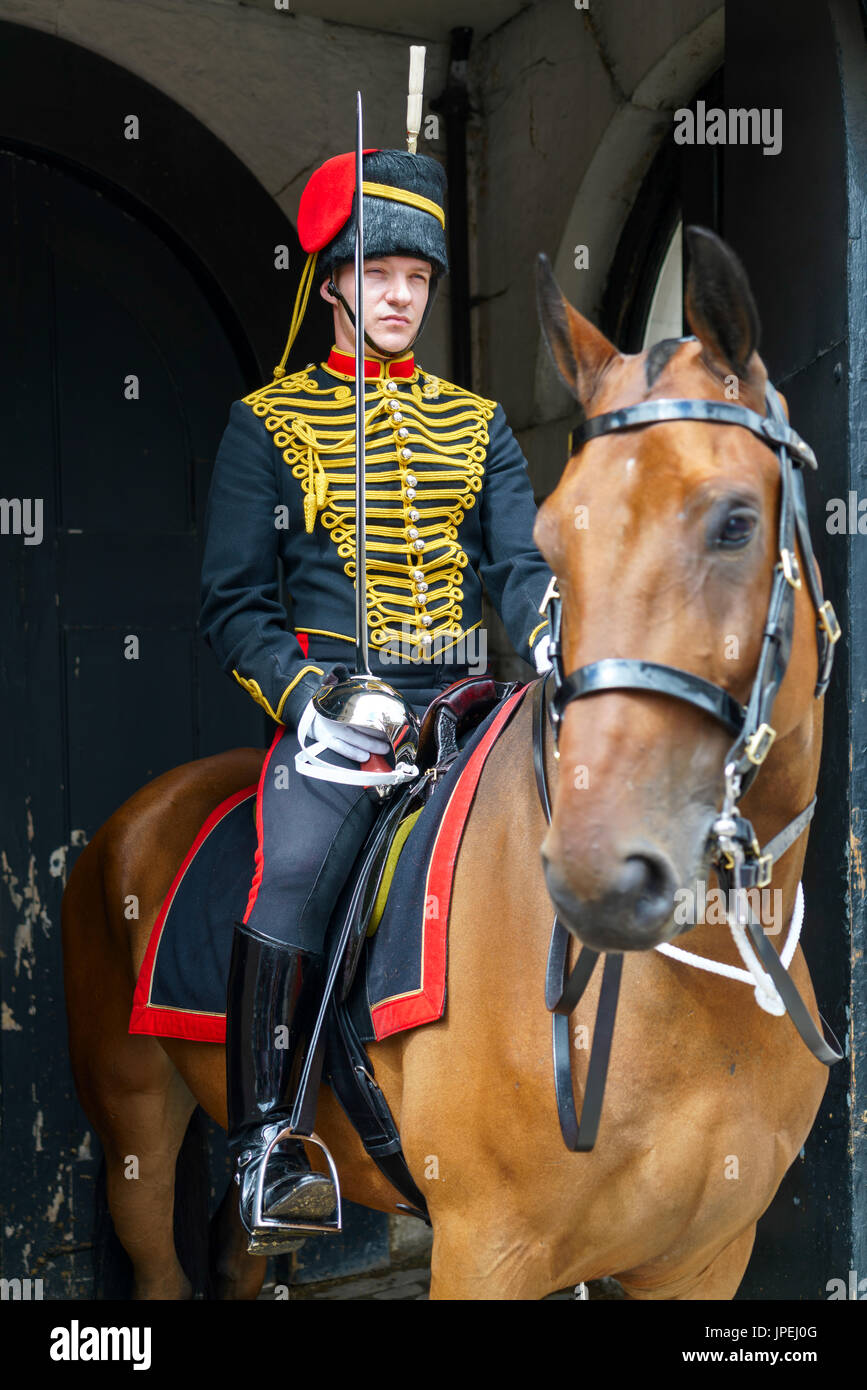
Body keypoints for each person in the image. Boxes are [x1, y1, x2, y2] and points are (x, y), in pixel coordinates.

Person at [199, 146, 553, 1253]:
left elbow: (518, 563)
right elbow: (235, 606)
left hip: (462, 702)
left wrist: (548, 621)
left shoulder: (479, 423)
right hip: (334, 717)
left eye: (418, 280)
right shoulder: (268, 424)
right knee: (298, 866)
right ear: (336, 280)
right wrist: (308, 702)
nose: (401, 297)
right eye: (380, 272)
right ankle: (266, 1145)